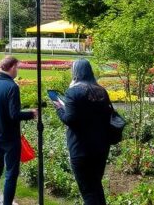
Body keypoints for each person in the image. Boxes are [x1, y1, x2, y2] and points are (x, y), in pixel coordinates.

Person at [53, 59, 112, 205]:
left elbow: (70, 120)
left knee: (88, 192)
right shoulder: (101, 91)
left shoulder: (74, 92)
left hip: (81, 148)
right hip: (101, 146)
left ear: (76, 72)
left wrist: (59, 108)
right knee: (96, 186)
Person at [0, 56, 35, 205]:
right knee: (11, 173)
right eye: (17, 67)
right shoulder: (12, 87)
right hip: (10, 136)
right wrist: (31, 114)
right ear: (11, 68)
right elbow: (14, 114)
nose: (17, 71)